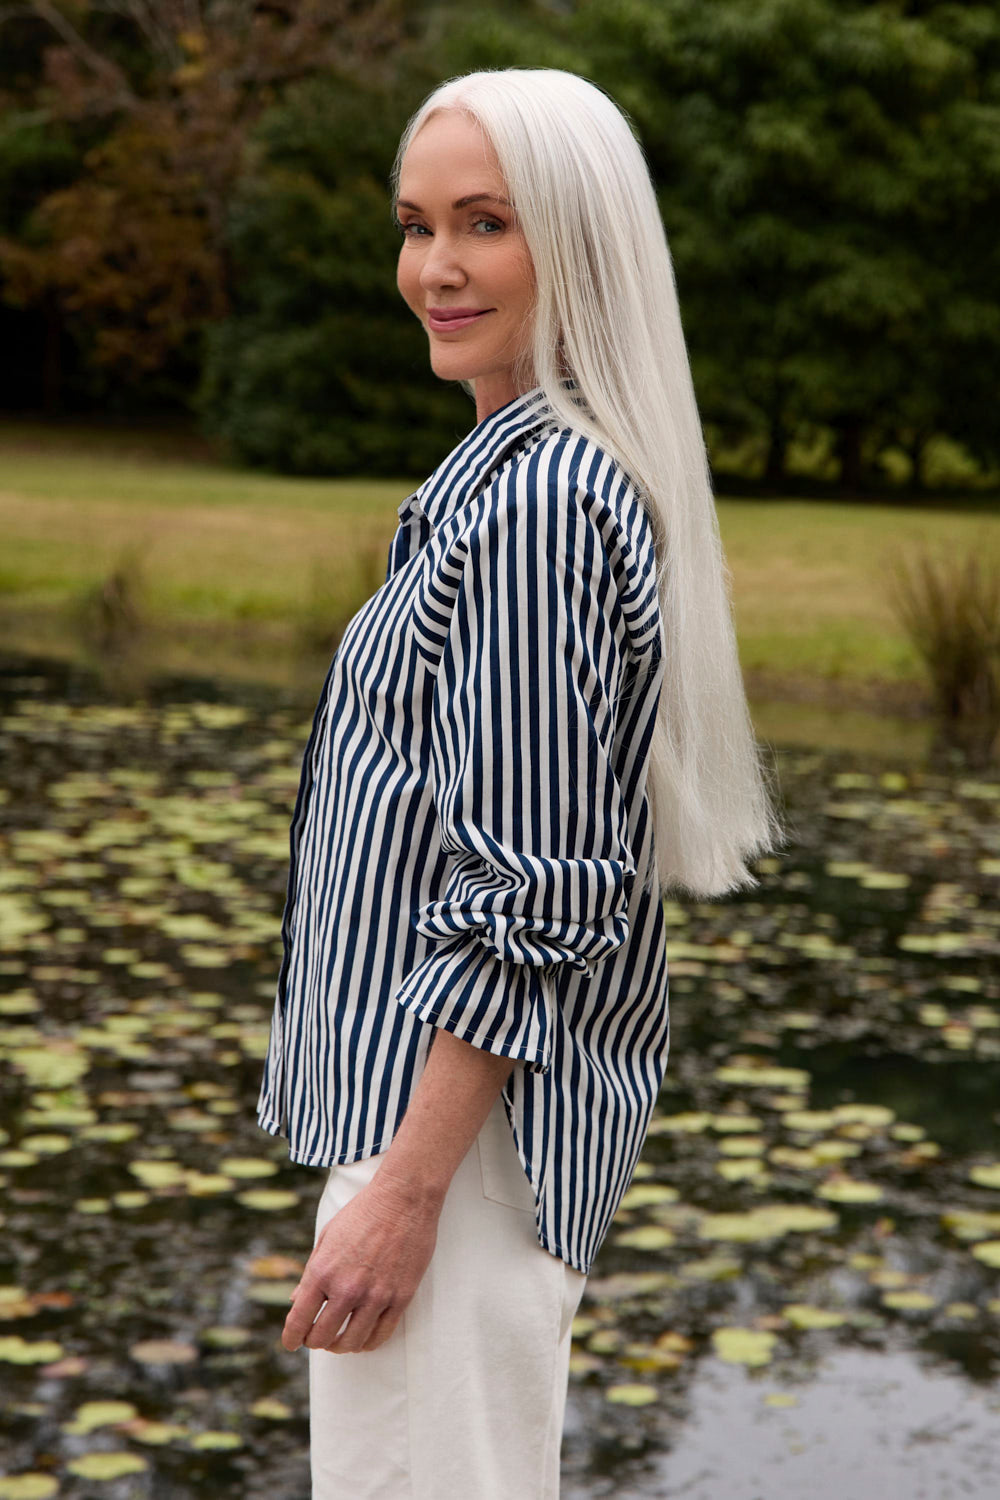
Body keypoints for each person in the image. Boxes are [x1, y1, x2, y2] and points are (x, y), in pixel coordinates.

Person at [256, 66, 785, 1500]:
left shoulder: (543, 501)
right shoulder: (507, 480)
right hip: (439, 1136)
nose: (436, 266)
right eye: (417, 223)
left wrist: (405, 1194)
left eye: (485, 223)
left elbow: (540, 891)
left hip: (460, 1149)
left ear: (577, 241)